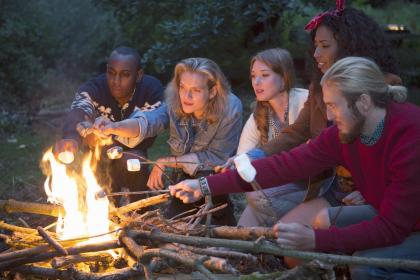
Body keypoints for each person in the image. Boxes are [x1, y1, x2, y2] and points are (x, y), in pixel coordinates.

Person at [169, 57, 420, 279]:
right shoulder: (344, 133)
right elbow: (285, 166)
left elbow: (392, 227)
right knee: (322, 225)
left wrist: (316, 240)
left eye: (333, 106)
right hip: (394, 217)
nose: (329, 117)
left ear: (363, 103)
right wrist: (204, 185)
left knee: (366, 267)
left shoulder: (409, 137)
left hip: (406, 225)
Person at [222, 1, 401, 227]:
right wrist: (252, 157)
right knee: (274, 226)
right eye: (315, 45)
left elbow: (393, 155)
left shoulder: (380, 90)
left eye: (325, 45)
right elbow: (297, 133)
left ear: (349, 45)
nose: (316, 53)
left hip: (371, 192)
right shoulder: (318, 89)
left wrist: (371, 190)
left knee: (284, 222)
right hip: (332, 187)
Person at [96, 57, 242, 225]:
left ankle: (221, 219)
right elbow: (149, 121)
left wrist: (167, 161)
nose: (186, 96)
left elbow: (216, 158)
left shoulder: (230, 108)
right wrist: (114, 126)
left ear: (213, 91)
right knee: (173, 225)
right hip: (184, 177)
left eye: (195, 90)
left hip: (215, 179)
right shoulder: (175, 103)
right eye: (182, 87)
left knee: (216, 227)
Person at [55, 46, 164, 202]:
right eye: (111, 73)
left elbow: (151, 124)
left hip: (133, 153)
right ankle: (104, 211)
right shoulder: (94, 89)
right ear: (106, 71)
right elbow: (79, 110)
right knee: (100, 193)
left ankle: (139, 209)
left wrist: (110, 132)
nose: (116, 81)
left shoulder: (151, 90)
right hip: (98, 155)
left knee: (135, 162)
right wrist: (71, 137)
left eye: (125, 75)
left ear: (138, 75)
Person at [232, 48, 308, 226]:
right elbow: (244, 154)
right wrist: (233, 163)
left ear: (284, 77)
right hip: (282, 184)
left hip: (315, 184)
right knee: (254, 200)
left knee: (258, 197)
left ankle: (283, 236)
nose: (256, 82)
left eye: (264, 75)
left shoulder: (306, 101)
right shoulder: (260, 114)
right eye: (253, 76)